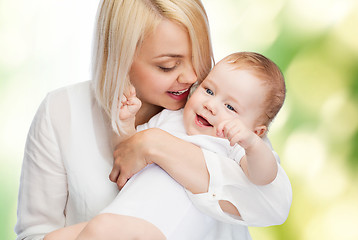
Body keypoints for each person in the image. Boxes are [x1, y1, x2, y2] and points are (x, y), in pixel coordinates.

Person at [15, 0, 292, 240]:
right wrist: (128, 128)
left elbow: (272, 201)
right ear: (119, 57)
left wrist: (155, 145)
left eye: (199, 57)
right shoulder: (62, 111)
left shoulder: (231, 126)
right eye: (168, 66)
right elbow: (126, 154)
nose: (193, 77)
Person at [45, 51, 286, 240]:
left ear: (258, 131)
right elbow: (128, 154)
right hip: (124, 213)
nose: (211, 105)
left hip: (158, 226)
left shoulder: (234, 146)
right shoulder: (170, 119)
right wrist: (125, 123)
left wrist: (253, 144)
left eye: (230, 107)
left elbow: (263, 177)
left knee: (102, 228)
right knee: (55, 237)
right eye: (209, 90)